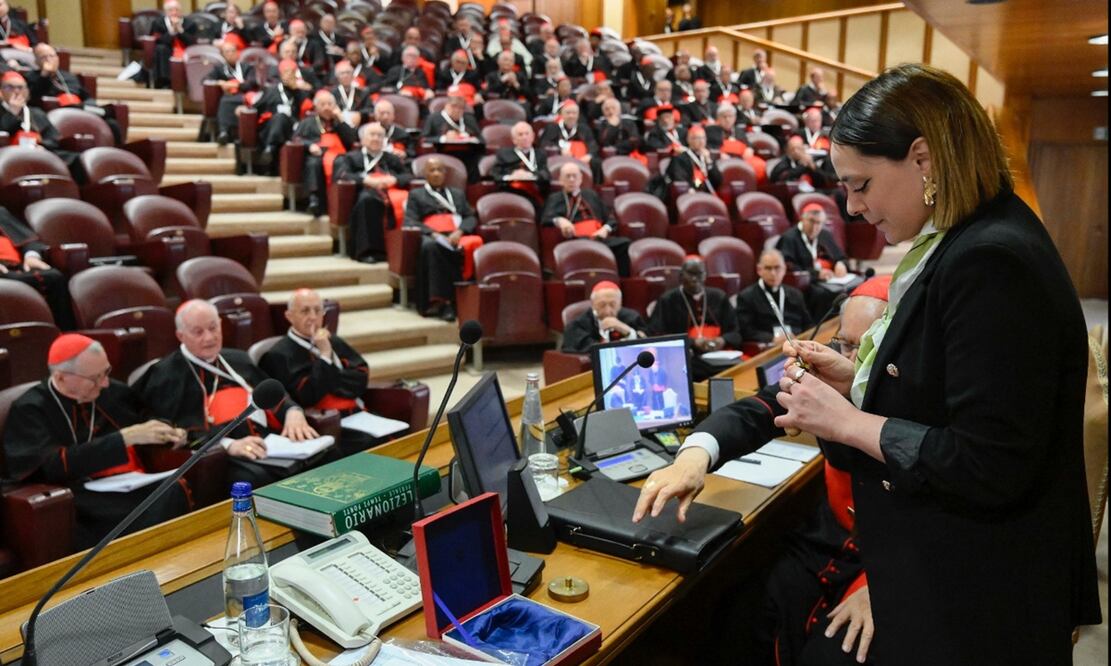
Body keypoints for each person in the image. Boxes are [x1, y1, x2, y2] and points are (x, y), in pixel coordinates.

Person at [773, 63, 1099, 662]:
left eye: (861, 184)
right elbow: (960, 385)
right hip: (967, 568)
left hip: (982, 594)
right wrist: (857, 378)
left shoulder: (991, 259)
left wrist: (846, 422)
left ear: (922, 159)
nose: (851, 207)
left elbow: (989, 461)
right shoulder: (975, 233)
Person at [632, 278, 893, 665]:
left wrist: (886, 587)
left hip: (895, 559)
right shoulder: (832, 378)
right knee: (741, 617)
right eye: (844, 343)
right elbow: (754, 412)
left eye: (863, 347)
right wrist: (693, 458)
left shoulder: (917, 396)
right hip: (830, 538)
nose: (849, 358)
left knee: (834, 654)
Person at [2, 335, 190, 549]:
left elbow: (146, 416)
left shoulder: (110, 391)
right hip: (73, 495)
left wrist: (168, 432)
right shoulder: (31, 409)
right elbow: (49, 466)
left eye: (106, 372)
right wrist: (124, 438)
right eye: (95, 377)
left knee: (172, 489)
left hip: (122, 483)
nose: (105, 383)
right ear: (62, 378)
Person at [134, 300, 329, 489]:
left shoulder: (238, 358)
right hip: (222, 455)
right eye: (198, 332)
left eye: (213, 328)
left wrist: (292, 411)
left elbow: (270, 393)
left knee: (328, 454)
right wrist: (227, 444)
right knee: (255, 479)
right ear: (181, 335)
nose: (209, 337)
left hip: (270, 443)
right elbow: (176, 432)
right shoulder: (166, 375)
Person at [259, 289, 390, 457]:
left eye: (318, 310)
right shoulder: (278, 354)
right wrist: (326, 356)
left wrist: (329, 380)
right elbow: (307, 395)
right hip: (324, 423)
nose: (313, 317)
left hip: (355, 413)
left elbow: (361, 377)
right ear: (289, 316)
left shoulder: (332, 340)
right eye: (305, 311)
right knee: (369, 445)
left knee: (399, 436)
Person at [647, 257, 741, 382]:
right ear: (681, 276)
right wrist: (693, 342)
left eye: (699, 274)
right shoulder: (668, 300)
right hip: (687, 357)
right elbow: (657, 334)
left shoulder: (719, 296)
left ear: (706, 275)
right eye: (690, 274)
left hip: (720, 355)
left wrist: (722, 340)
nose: (695, 279)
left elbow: (736, 332)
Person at [332, 122, 412, 263]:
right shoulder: (350, 157)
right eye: (372, 135)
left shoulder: (391, 159)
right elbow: (342, 174)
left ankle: (400, 251)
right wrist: (366, 180)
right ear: (362, 139)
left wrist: (394, 179)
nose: (376, 138)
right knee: (367, 201)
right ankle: (369, 251)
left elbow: (408, 176)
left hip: (392, 193)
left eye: (380, 136)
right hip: (365, 191)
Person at [540, 163, 630, 275]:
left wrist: (605, 230)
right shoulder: (555, 198)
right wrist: (560, 221)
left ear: (581, 178)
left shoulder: (591, 194)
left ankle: (620, 283)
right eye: (567, 176)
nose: (572, 180)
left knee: (624, 244)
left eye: (575, 176)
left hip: (598, 236)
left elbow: (610, 220)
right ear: (560, 180)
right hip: (575, 239)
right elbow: (546, 219)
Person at [0, 205, 74, 329]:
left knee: (54, 277)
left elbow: (30, 241)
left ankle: (64, 334)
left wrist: (31, 256)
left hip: (20, 267)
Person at [0, 71, 81, 179]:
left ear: (27, 91)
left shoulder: (36, 112)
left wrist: (41, 145)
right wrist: (13, 112)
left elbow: (53, 138)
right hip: (8, 155)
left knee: (77, 159)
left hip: (39, 152)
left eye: (20, 87)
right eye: (10, 87)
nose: (16, 91)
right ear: (1, 91)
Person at [292, 90, 357, 216]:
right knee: (313, 164)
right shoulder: (308, 121)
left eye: (329, 104)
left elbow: (352, 140)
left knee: (342, 163)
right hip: (317, 154)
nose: (327, 107)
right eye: (323, 104)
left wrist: (341, 119)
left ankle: (339, 201)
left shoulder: (339, 121)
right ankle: (314, 199)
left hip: (339, 155)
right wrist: (309, 145)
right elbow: (297, 138)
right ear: (316, 107)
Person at [240, 59, 312, 170]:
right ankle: (270, 148)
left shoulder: (300, 92)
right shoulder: (271, 90)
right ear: (281, 74)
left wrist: (300, 90)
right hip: (271, 127)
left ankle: (270, 148)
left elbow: (309, 106)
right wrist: (244, 107)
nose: (288, 76)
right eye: (286, 72)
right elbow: (256, 107)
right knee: (279, 117)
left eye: (291, 72)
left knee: (282, 117)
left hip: (291, 127)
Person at [735, 249, 813, 346]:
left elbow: (808, 325)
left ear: (784, 269)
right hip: (769, 347)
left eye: (777, 268)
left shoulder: (796, 294)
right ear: (759, 270)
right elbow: (746, 331)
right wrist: (772, 338)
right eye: (768, 268)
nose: (773, 273)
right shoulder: (746, 297)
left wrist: (802, 337)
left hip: (798, 344)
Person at [562, 281, 646, 353]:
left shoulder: (633, 317)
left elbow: (646, 344)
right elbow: (586, 349)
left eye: (613, 305)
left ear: (620, 304)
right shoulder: (577, 325)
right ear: (592, 304)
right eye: (602, 305)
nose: (607, 311)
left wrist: (627, 331)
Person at [777, 202, 850, 284]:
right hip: (807, 284)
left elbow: (841, 256)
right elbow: (789, 267)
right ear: (802, 219)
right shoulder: (789, 238)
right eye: (811, 221)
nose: (814, 227)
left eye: (818, 223)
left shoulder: (825, 235)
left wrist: (841, 264)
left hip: (831, 279)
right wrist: (815, 274)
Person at [209, 40, 257, 146]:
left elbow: (251, 83)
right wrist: (219, 82)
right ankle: (223, 132)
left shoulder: (247, 67)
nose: (230, 54)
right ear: (223, 55)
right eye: (227, 52)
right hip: (229, 97)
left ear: (237, 53)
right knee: (224, 101)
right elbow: (205, 80)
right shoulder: (219, 69)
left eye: (232, 51)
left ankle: (240, 136)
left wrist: (232, 85)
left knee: (229, 101)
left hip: (245, 95)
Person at [492, 121, 550, 206]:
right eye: (520, 134)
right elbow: (495, 175)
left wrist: (531, 175)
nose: (524, 137)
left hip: (534, 191)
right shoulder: (503, 154)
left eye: (527, 134)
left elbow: (545, 174)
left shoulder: (540, 154)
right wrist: (511, 177)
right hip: (510, 191)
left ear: (533, 136)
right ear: (514, 140)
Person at [149, 0, 195, 88]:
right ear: (166, 12)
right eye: (171, 10)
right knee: (161, 48)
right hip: (166, 51)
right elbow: (159, 41)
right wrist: (172, 31)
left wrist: (180, 30)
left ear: (181, 11)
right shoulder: (158, 23)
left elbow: (192, 42)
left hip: (185, 50)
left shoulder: (190, 23)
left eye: (177, 10)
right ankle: (165, 82)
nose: (174, 13)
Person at [664, 125, 721, 194]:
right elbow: (679, 179)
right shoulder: (680, 157)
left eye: (703, 138)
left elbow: (718, 181)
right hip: (689, 194)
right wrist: (690, 189)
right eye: (698, 138)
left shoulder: (708, 156)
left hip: (707, 193)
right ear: (689, 140)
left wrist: (709, 162)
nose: (701, 141)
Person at [770, 136, 836, 189]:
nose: (796, 151)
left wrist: (813, 166)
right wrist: (803, 166)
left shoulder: (810, 163)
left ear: (803, 149)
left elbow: (825, 181)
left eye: (798, 148)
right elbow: (779, 179)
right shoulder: (782, 164)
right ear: (787, 151)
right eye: (792, 149)